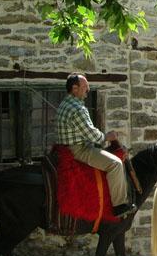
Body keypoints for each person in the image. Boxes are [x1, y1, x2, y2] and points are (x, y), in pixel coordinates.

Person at [56, 73, 134, 218]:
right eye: (85, 86)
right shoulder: (78, 109)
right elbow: (92, 135)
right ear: (75, 88)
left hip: (67, 148)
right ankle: (120, 206)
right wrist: (107, 137)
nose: (88, 89)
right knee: (116, 164)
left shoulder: (65, 103)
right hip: (80, 150)